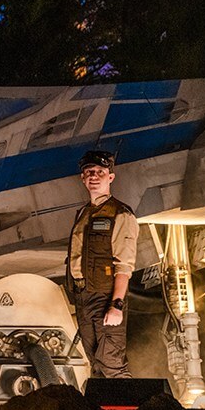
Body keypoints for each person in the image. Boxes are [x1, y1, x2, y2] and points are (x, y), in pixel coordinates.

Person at [66, 150, 139, 378]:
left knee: (111, 363)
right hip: (84, 296)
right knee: (95, 364)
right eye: (89, 172)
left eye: (100, 172)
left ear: (110, 177)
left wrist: (116, 304)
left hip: (105, 296)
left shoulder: (120, 214)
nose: (94, 176)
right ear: (82, 178)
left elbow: (124, 265)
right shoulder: (84, 213)